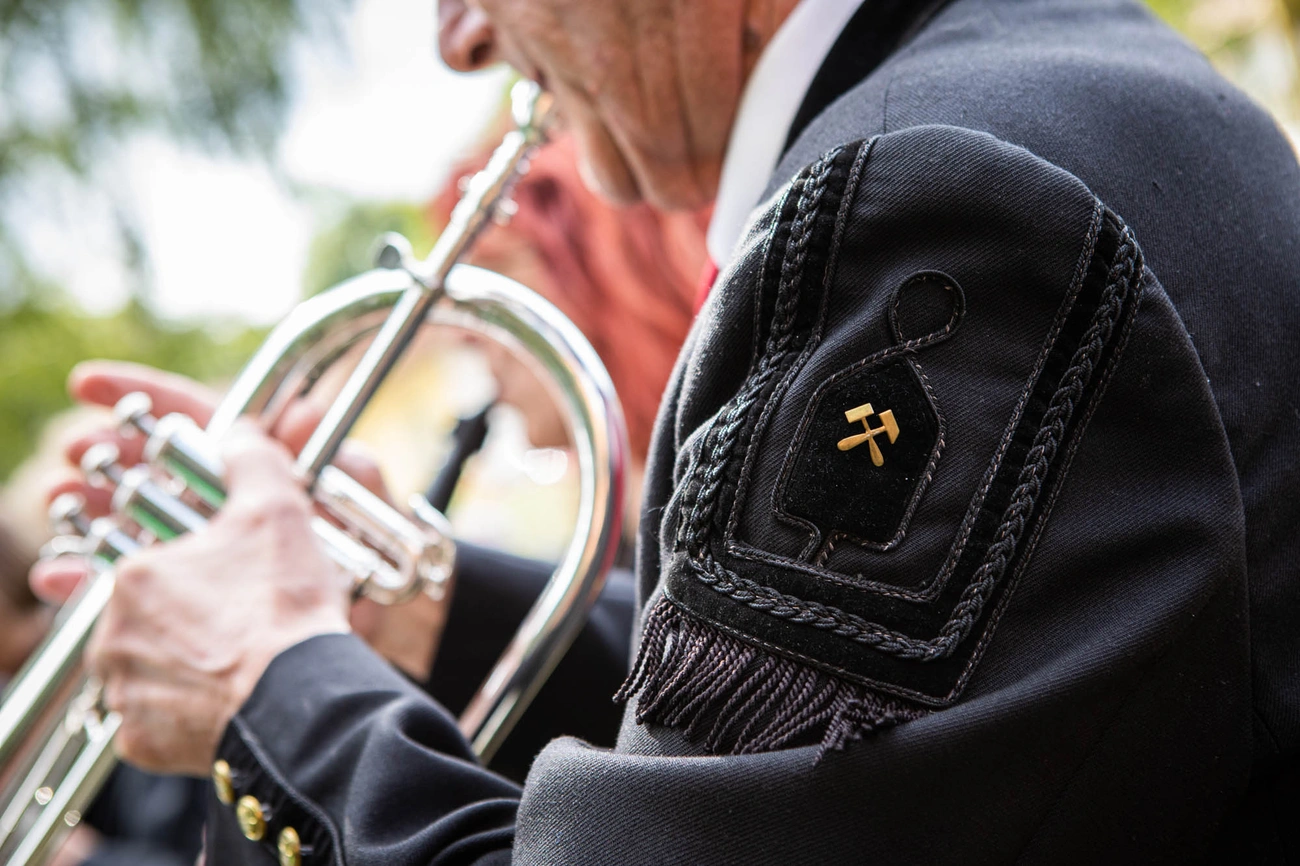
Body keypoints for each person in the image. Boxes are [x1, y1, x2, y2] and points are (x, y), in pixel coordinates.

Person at [27, 0, 1300, 862]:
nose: (461, 40)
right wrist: (411, 605)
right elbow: (800, 741)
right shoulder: (1033, 84)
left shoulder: (937, 192)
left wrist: (269, 683)